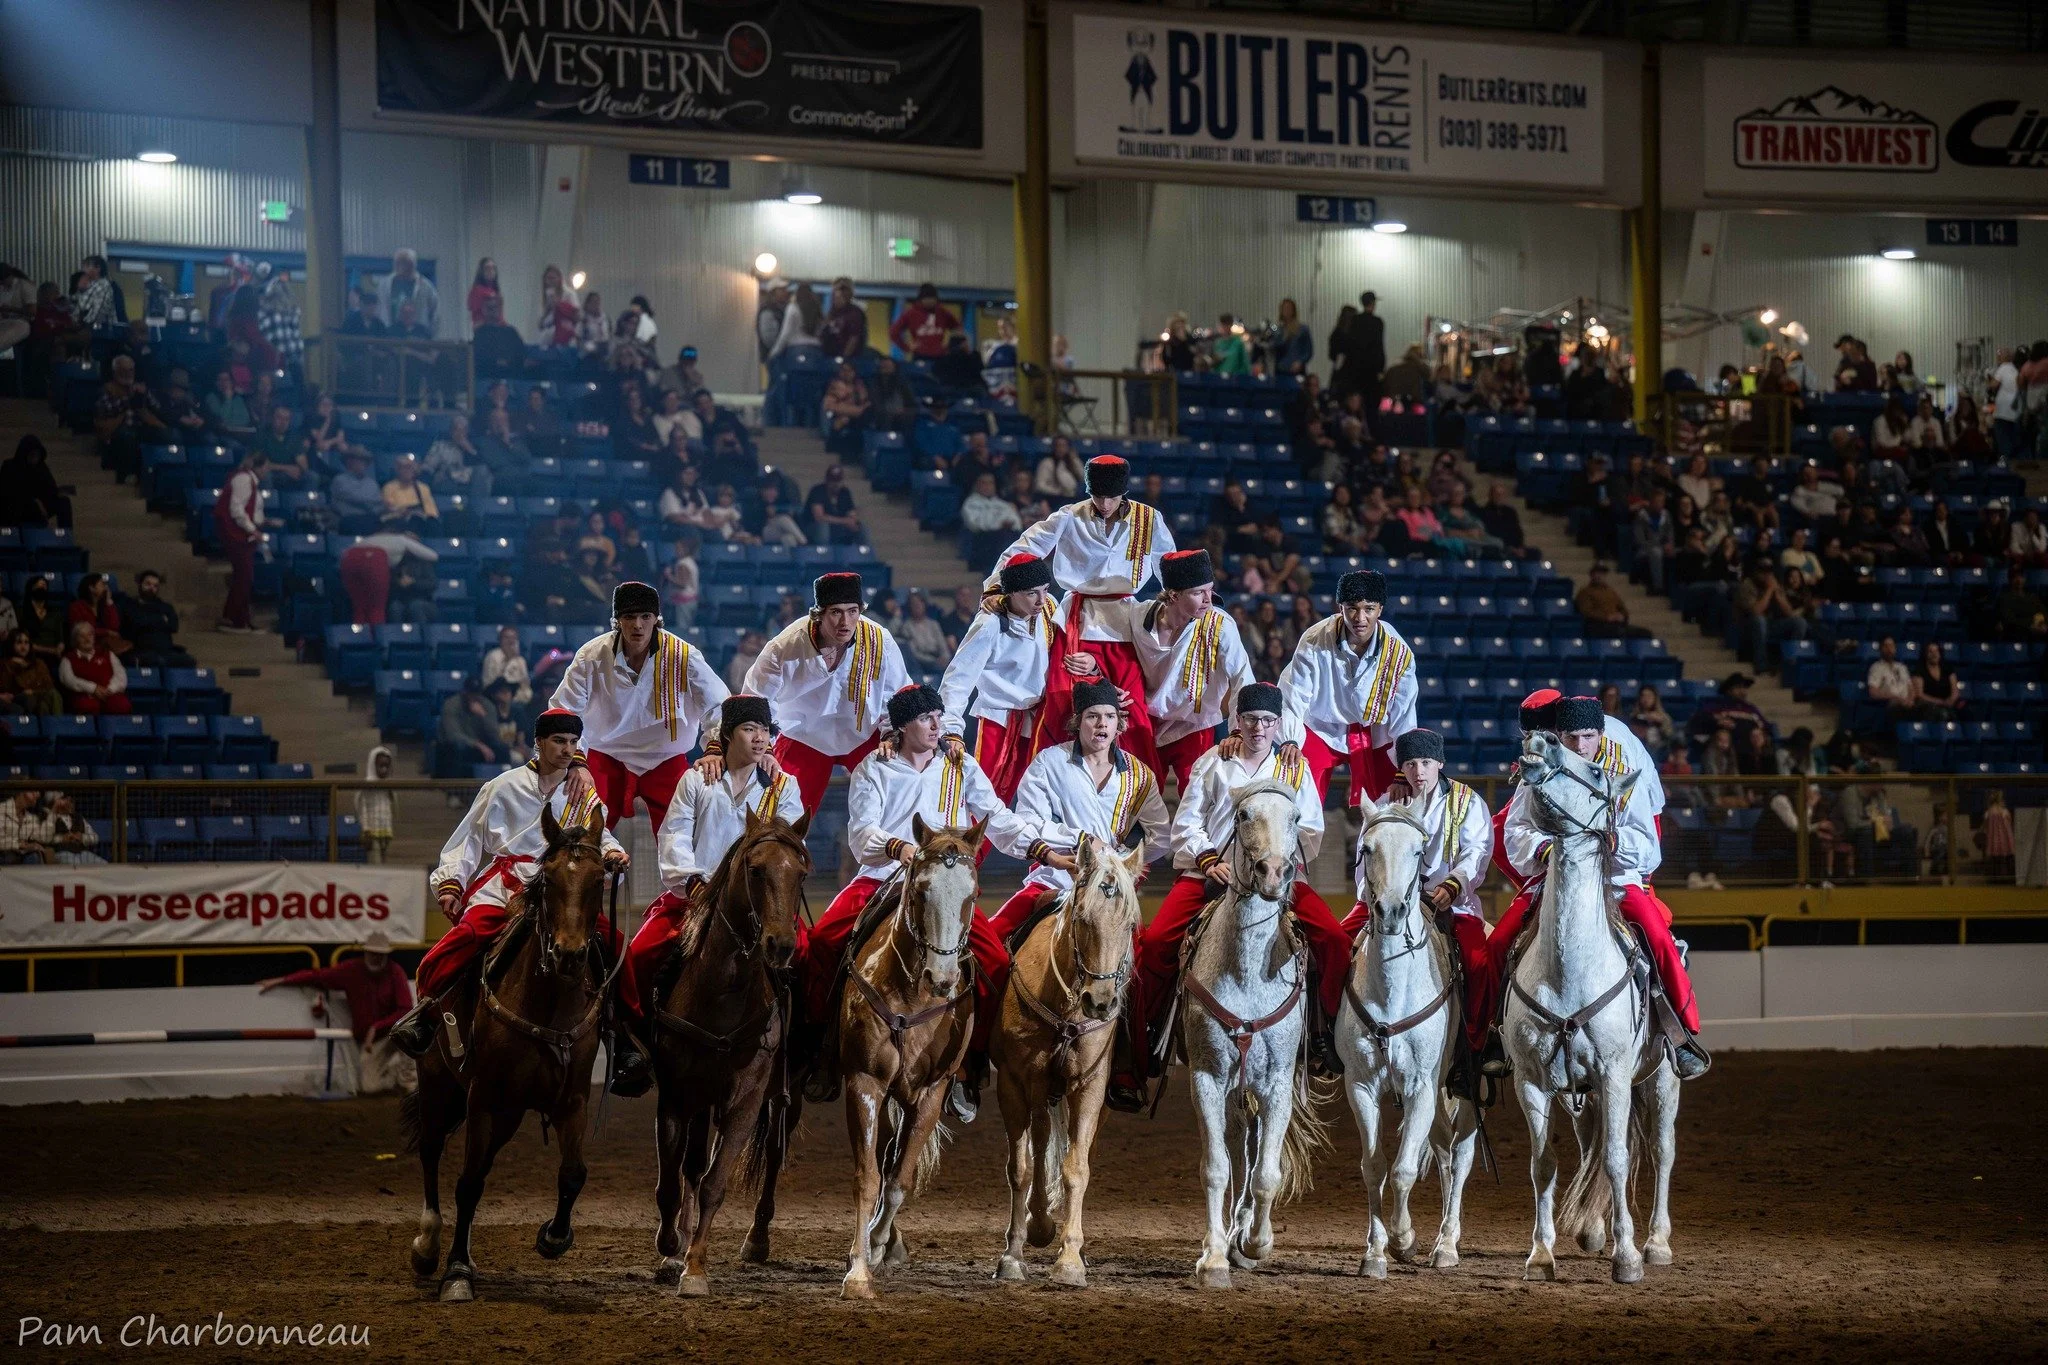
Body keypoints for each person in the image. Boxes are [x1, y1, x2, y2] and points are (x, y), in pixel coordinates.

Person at [794, 682, 1038, 1116]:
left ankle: (970, 1065)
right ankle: (819, 1046)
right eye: (925, 718)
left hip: (944, 885)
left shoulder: (960, 764)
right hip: (884, 877)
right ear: (902, 725)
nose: (935, 725)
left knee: (997, 963)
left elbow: (996, 818)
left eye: (938, 716)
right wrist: (899, 848)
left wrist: (1040, 848)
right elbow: (862, 832)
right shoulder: (874, 767)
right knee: (824, 943)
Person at [1119, 683, 1340, 1106]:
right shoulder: (1213, 762)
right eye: (1251, 719)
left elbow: (1310, 828)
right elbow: (1187, 821)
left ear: (1279, 725)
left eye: (1268, 721)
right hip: (1212, 876)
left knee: (1333, 940)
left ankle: (1320, 1036)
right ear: (1236, 722)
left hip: (1279, 878)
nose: (1259, 728)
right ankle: (1143, 1048)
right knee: (1156, 945)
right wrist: (1207, 860)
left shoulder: (1295, 768)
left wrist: (1278, 861)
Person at [389, 710, 634, 1069]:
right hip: (508, 887)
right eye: (558, 741)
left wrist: (612, 851)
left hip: (561, 889)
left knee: (616, 946)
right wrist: (451, 883)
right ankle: (425, 1017)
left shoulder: (583, 791)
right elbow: (468, 839)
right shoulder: (501, 786)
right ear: (539, 743)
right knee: (464, 939)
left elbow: (601, 834)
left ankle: (625, 1038)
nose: (567, 750)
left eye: (572, 743)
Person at [1490, 696, 1708, 1079]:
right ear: (1558, 735)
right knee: (1496, 945)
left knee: (1657, 936)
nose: (1579, 746)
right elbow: (1513, 831)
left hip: (1615, 883)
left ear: (1600, 734)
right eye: (1571, 737)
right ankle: (1489, 1037)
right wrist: (1543, 850)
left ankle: (1681, 1033)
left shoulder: (1622, 771)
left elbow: (1649, 848)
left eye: (1587, 737)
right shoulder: (1542, 769)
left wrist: (1613, 841)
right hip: (1552, 880)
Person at [609, 693, 806, 1098]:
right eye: (749, 729)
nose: (759, 739)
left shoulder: (784, 787)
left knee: (805, 955)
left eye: (765, 731)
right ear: (727, 736)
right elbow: (674, 835)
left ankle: (800, 1054)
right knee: (640, 954)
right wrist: (695, 883)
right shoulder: (696, 779)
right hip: (694, 897)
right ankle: (635, 1049)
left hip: (760, 905)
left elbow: (784, 848)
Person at [993, 679, 1172, 1110]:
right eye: (1093, 717)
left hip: (1107, 893)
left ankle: (1126, 1068)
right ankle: (978, 1053)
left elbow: (1161, 833)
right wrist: (1080, 840)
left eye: (1109, 717)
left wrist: (1123, 864)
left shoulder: (1138, 775)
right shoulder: (1048, 764)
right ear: (1078, 723)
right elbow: (1027, 821)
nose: (1101, 725)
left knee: (1138, 966)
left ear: (1120, 724)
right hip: (1051, 881)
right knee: (992, 944)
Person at [988, 455, 1175, 770]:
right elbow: (1022, 549)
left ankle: (1139, 801)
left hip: (1126, 625)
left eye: (1111, 496)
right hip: (1076, 619)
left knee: (1131, 709)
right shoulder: (1069, 516)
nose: (1103, 503)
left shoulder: (1148, 519)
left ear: (1123, 493)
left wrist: (1182, 601)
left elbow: (1169, 566)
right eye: (1097, 496)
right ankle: (1046, 785)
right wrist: (995, 588)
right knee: (1061, 704)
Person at [1333, 729, 1496, 1077]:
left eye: (1425, 762)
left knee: (1479, 963)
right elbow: (1366, 859)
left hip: (1449, 901)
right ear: (1401, 768)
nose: (1418, 771)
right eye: (1410, 763)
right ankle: (1329, 1036)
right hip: (1387, 899)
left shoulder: (1467, 801)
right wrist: (1370, 894)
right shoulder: (1385, 804)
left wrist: (1455, 883)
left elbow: (1477, 850)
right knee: (1335, 945)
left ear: (1440, 762)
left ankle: (1475, 1046)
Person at [549, 581, 728, 832]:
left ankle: (685, 874)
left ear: (657, 619)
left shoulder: (684, 655)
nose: (637, 625)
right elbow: (563, 711)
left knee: (685, 837)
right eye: (629, 616)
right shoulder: (591, 655)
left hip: (666, 758)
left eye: (646, 616)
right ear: (617, 620)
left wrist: (714, 748)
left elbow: (718, 705)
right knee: (580, 832)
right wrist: (576, 760)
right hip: (605, 755)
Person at [735, 572, 910, 815]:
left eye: (852, 611)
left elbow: (899, 694)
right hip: (803, 736)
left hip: (864, 734)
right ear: (818, 614)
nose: (845, 622)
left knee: (898, 804)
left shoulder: (880, 639)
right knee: (779, 817)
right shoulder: (784, 646)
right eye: (836, 612)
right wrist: (765, 749)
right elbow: (755, 700)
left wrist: (892, 735)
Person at [1089, 548, 1253, 793]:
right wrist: (1092, 663)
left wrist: (1239, 730)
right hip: (1146, 722)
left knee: (1197, 794)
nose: (1209, 599)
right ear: (1173, 595)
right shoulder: (1136, 616)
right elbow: (1092, 618)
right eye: (1199, 592)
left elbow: (1243, 677)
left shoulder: (1220, 624)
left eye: (1210, 589)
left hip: (1192, 724)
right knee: (1135, 793)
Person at [1274, 570, 1416, 806]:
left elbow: (1404, 715)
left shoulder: (1399, 653)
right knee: (1297, 789)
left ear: (1380, 609)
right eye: (1352, 608)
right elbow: (1293, 695)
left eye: (1369, 609)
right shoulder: (1313, 639)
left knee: (1394, 800)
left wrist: (1404, 768)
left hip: (1374, 729)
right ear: (1340, 607)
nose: (1360, 618)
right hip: (1321, 725)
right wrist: (1290, 740)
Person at [938, 555, 1056, 803]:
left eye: (1045, 590)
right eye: (1032, 593)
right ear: (1010, 593)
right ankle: (968, 843)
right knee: (983, 799)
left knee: (1041, 799)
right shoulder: (989, 624)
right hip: (1000, 721)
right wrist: (950, 730)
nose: (1041, 600)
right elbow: (958, 677)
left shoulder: (1049, 608)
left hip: (1042, 719)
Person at [259, 930, 413, 1092]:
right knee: (369, 1088)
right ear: (366, 953)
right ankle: (395, 1077)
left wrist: (377, 1027)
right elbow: (317, 976)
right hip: (372, 1042)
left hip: (390, 1033)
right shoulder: (352, 970)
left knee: (410, 1032)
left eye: (380, 954)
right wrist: (281, 980)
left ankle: (409, 1079)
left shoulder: (395, 972)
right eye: (373, 953)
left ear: (386, 956)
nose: (376, 958)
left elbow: (406, 1010)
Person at [214, 448, 271, 633]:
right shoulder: (243, 479)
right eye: (266, 467)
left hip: (244, 534)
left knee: (245, 577)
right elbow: (236, 509)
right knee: (244, 577)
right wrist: (253, 530)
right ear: (259, 466)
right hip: (237, 534)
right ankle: (231, 618)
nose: (267, 471)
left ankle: (242, 619)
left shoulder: (250, 482)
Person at [93, 354, 166, 483]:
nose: (128, 373)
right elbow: (105, 412)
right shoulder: (107, 389)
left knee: (164, 434)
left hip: (141, 427)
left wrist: (143, 395)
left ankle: (155, 477)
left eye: (131, 370)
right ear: (115, 371)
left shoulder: (139, 388)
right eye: (124, 370)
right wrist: (129, 399)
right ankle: (125, 476)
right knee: (127, 436)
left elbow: (157, 408)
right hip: (118, 430)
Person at [58, 620, 130, 714]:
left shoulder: (107, 654)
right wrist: (93, 688)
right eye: (82, 636)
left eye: (89, 635)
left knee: (122, 705)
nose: (87, 639)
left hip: (109, 693)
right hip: (84, 695)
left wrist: (108, 690)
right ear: (75, 640)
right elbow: (69, 679)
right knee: (87, 706)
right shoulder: (68, 659)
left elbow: (121, 675)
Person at [0, 436, 73, 529]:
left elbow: (50, 487)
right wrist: (35, 501)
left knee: (64, 502)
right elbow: (9, 492)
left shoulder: (41, 467)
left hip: (39, 506)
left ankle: (66, 536)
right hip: (18, 507)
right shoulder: (10, 466)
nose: (35, 458)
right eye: (32, 455)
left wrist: (58, 493)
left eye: (37, 455)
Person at [888, 283, 959, 361]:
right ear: (921, 299)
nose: (930, 302)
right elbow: (893, 332)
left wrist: (950, 347)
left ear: (936, 299)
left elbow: (957, 329)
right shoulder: (911, 313)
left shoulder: (942, 312)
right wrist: (906, 347)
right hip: (920, 355)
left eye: (932, 299)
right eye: (927, 299)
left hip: (940, 355)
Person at [376, 248, 439, 336]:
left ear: (414, 265)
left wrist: (430, 335)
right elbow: (378, 309)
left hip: (418, 337)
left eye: (407, 263)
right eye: (400, 263)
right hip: (389, 335)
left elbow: (435, 312)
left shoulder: (426, 286)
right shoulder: (384, 285)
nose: (404, 266)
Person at [0, 629, 62, 714]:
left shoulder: (39, 663)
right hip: (18, 698)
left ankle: (56, 725)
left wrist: (33, 691)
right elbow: (7, 689)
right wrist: (15, 666)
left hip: (39, 695)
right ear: (11, 645)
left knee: (47, 702)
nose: (23, 646)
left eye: (26, 643)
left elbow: (48, 686)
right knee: (29, 698)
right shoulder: (5, 664)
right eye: (19, 642)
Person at [805, 464, 864, 545]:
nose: (836, 484)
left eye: (838, 481)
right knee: (823, 528)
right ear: (827, 480)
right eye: (833, 481)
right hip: (814, 527)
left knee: (861, 527)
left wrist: (852, 520)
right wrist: (844, 521)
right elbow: (819, 517)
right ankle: (824, 555)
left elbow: (851, 513)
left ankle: (864, 554)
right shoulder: (817, 491)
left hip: (838, 527)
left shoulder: (845, 492)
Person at [380, 454, 439, 530]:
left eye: (409, 468)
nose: (406, 471)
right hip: (397, 522)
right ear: (398, 470)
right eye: (403, 468)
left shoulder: (423, 488)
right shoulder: (389, 487)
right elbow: (390, 508)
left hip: (419, 521)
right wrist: (404, 512)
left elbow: (431, 511)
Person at [818, 277, 868, 359]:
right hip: (828, 357)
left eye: (842, 289)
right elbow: (824, 333)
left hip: (847, 359)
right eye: (835, 290)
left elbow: (854, 337)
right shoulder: (831, 313)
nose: (837, 293)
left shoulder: (855, 313)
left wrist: (844, 358)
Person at [1865, 636, 1914, 719]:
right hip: (1890, 703)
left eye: (1891, 646)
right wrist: (1894, 697)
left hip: (1907, 702)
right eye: (1886, 646)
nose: (1889, 649)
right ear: (1881, 649)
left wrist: (1910, 700)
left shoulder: (1902, 667)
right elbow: (1873, 692)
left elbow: (1911, 688)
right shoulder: (1876, 667)